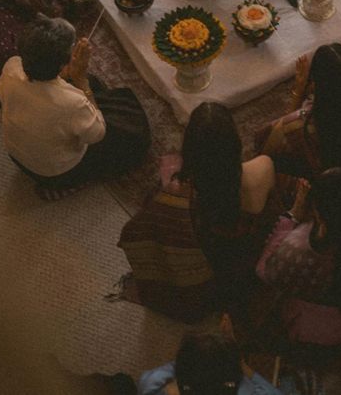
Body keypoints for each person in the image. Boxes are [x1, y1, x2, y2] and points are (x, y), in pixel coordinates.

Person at [118, 101, 278, 322]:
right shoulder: (261, 169)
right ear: (235, 142)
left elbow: (145, 226)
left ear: (189, 146)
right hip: (239, 268)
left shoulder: (172, 193)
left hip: (203, 275)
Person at [0, 17, 149, 192]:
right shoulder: (71, 103)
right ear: (61, 63)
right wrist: (80, 79)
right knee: (133, 132)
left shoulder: (11, 68)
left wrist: (64, 76)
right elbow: (97, 134)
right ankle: (63, 187)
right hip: (54, 172)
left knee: (94, 88)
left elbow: (18, 92)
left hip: (16, 156)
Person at [256, 168, 341, 347]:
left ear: (320, 217)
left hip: (330, 326)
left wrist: (294, 213)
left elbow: (263, 270)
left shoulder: (297, 252)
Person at [260, 43, 341, 192]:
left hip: (334, 188)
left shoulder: (305, 125)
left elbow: (267, 140)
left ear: (318, 83)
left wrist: (298, 89)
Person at [138, 322, 293, 395]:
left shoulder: (151, 383)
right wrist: (242, 365)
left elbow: (180, 366)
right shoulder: (246, 391)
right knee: (288, 382)